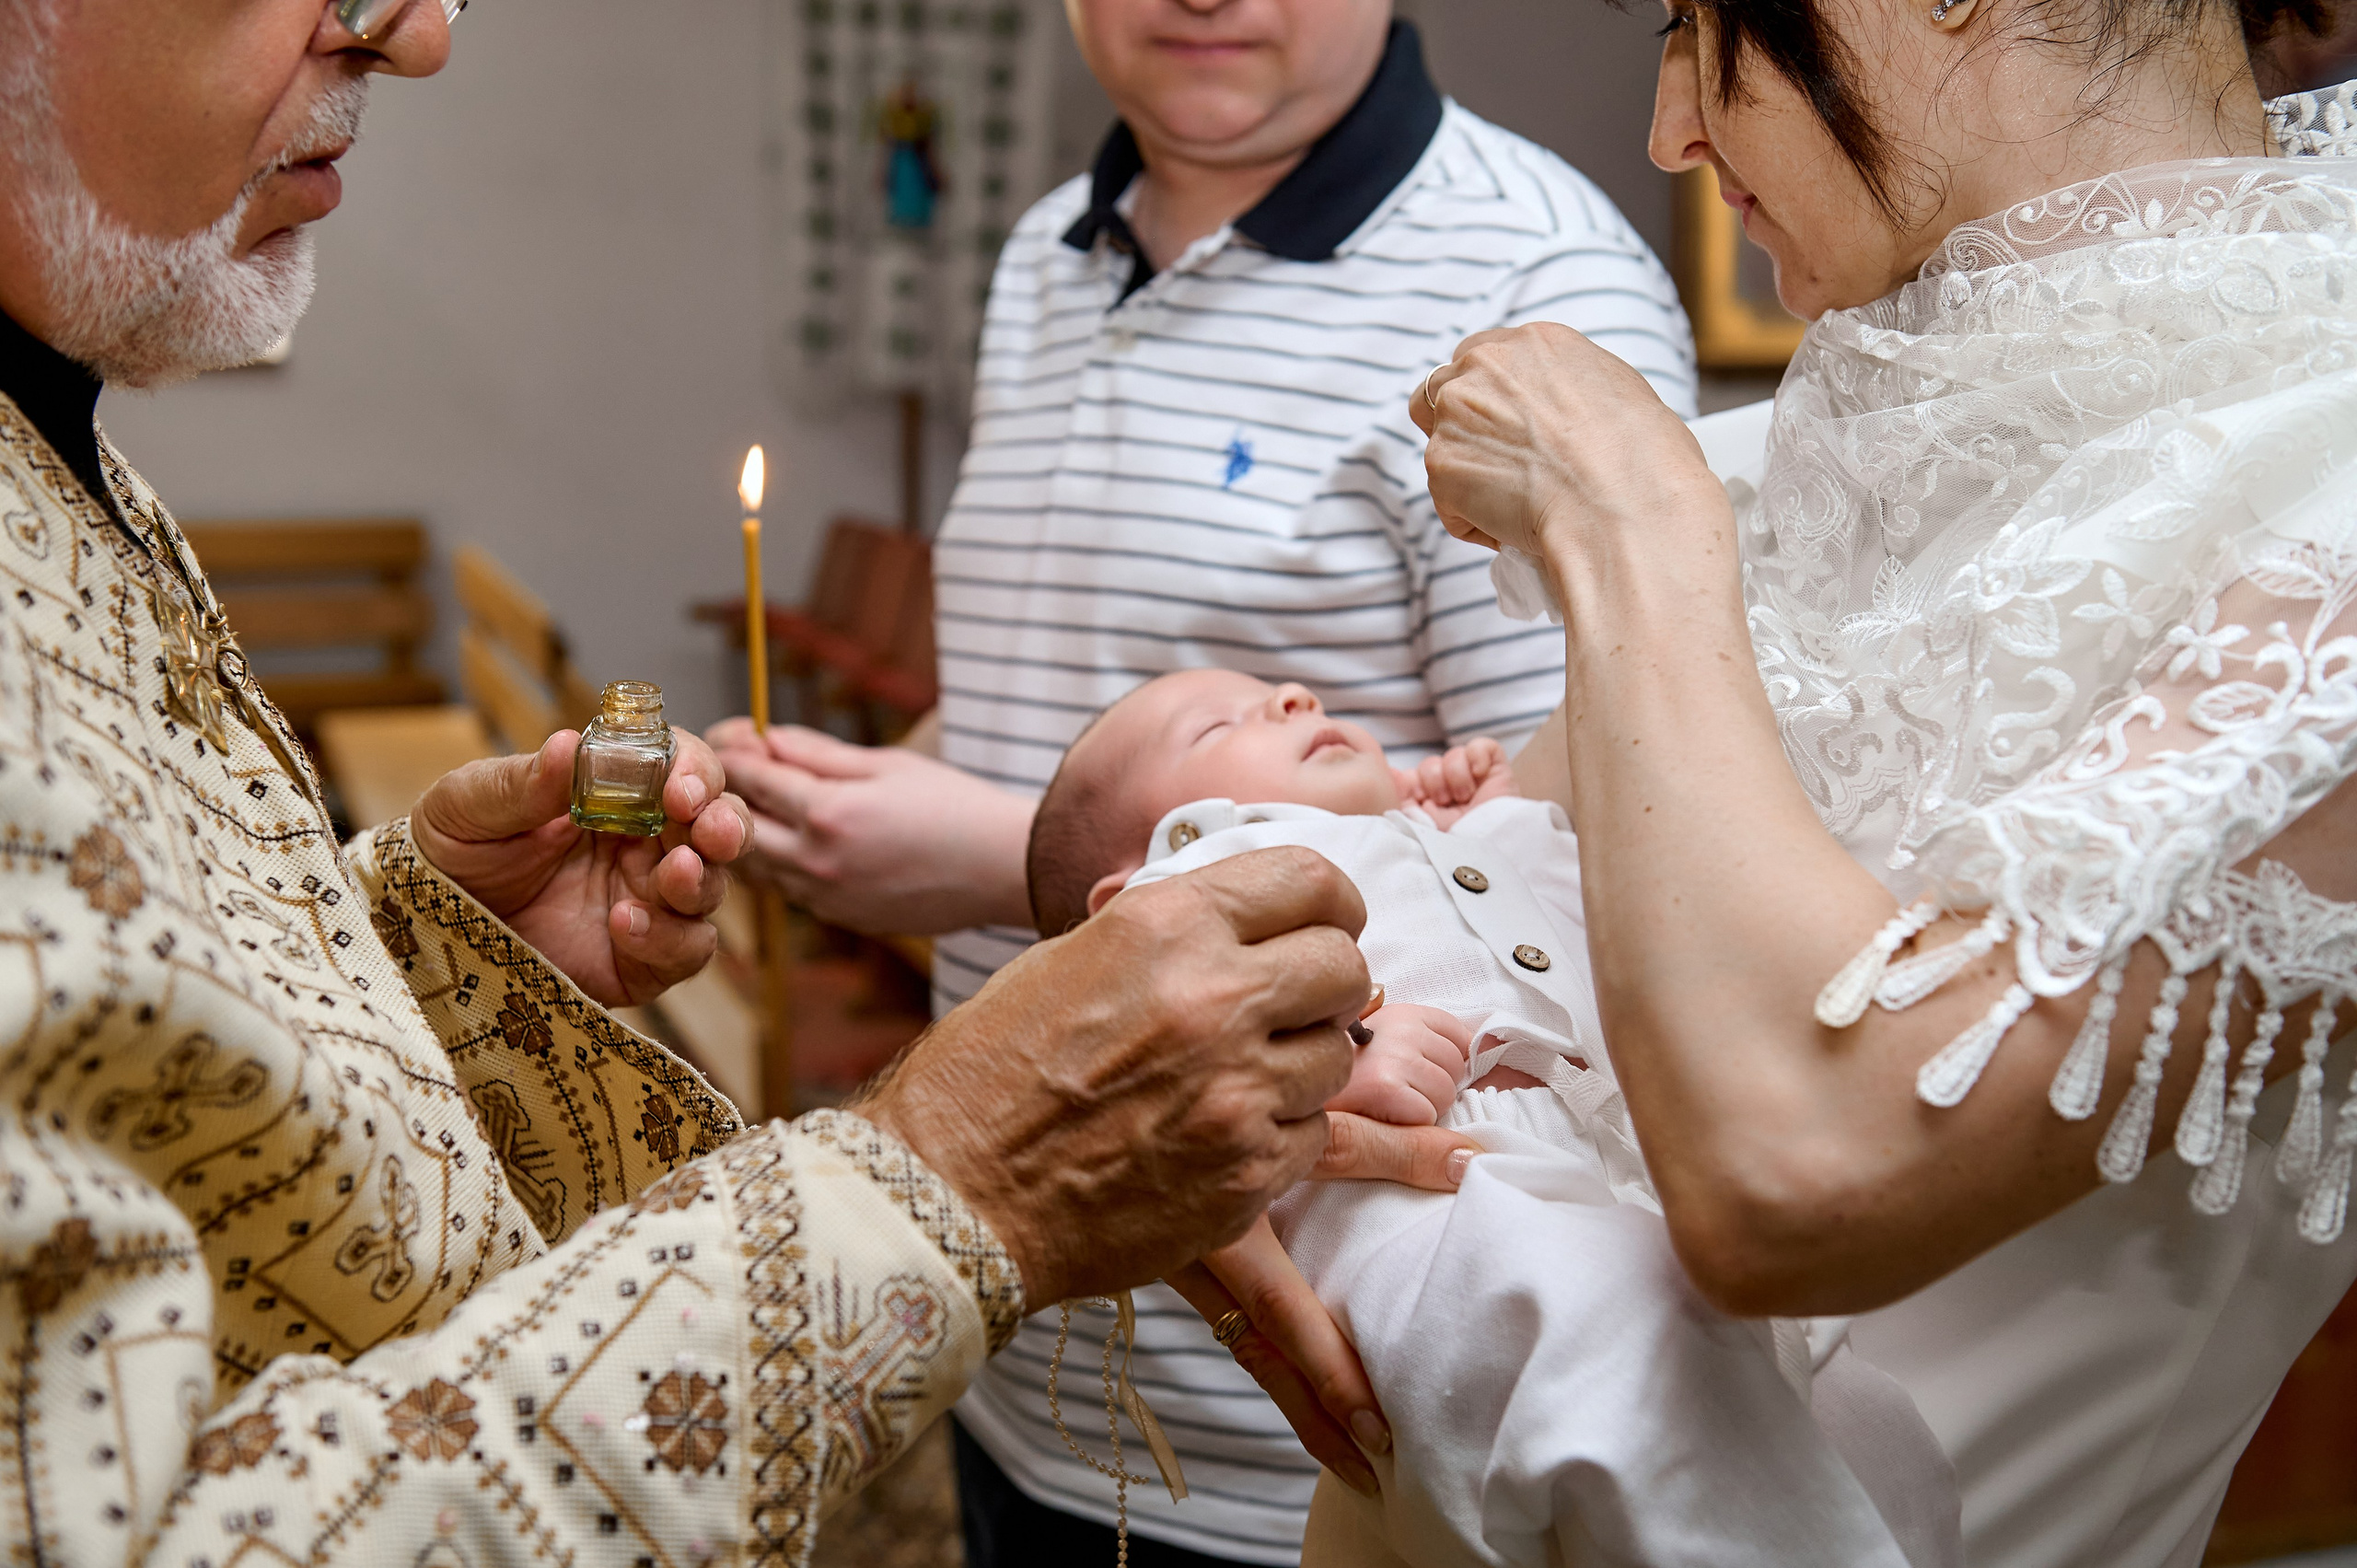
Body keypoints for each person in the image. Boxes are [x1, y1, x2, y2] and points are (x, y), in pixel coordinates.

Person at [0, 3, 1454, 1564]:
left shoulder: (57, 419)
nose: (413, 35)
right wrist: (957, 1174)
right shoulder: (1047, 255)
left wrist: (430, 967)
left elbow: (130, 1038)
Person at [1213, 1, 2357, 1564]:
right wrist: (1249, 1096)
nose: (1669, 127)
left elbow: (1799, 1171)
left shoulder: (2324, 488)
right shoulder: (1797, 451)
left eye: (1703, 20)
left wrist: (1621, 516)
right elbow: (1457, 923)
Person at [712, 0, 1697, 1556]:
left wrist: (981, 854)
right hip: (1019, 1311)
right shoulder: (1052, 244)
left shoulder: (1536, 281)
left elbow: (1602, 848)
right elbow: (1064, 664)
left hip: (1307, 1412)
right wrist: (854, 784)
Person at [1033, 667, 1962, 1568]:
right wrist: (1340, 1052)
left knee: (1866, 1427)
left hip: (1629, 1169)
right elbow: (1202, 1034)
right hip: (1419, 1193)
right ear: (1126, 897)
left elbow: (1606, 918)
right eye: (1214, 725)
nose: (1291, 695)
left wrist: (1502, 821)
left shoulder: (1439, 836)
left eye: (1284, 692)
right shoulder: (1200, 877)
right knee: (1610, 1353)